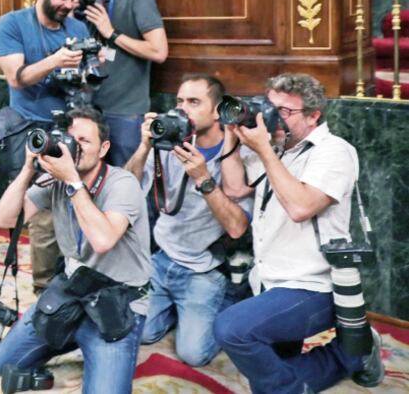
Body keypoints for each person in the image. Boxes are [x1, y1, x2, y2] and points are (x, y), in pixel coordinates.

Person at [215, 73, 384, 393]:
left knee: (231, 329)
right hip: (268, 283)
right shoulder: (277, 148)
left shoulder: (334, 151)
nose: (274, 117)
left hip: (315, 287)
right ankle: (346, 356)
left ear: (313, 116)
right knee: (264, 373)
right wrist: (231, 134)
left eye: (285, 111)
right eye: (270, 106)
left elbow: (301, 207)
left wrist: (264, 150)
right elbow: (235, 188)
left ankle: (345, 355)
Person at [0, 106, 151, 393]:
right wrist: (28, 169)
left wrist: (74, 183)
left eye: (84, 141)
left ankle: (89, 343)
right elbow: (3, 220)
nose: (74, 147)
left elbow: (103, 241)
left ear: (104, 148)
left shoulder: (122, 184)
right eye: (70, 138)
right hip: (72, 291)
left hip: (117, 300)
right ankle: (72, 336)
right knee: (4, 363)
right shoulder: (55, 181)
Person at [124, 74, 251, 366]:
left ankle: (231, 300)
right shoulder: (169, 142)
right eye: (179, 101)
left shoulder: (235, 156)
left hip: (203, 269)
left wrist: (203, 178)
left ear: (218, 110)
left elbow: (236, 227)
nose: (182, 109)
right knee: (136, 332)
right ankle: (175, 310)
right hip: (162, 259)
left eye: (194, 102)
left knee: (193, 354)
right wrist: (145, 146)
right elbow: (127, 193)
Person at [0, 0, 91, 294]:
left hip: (73, 125)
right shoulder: (12, 24)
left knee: (78, 205)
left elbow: (86, 81)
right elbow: (16, 78)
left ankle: (73, 280)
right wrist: (56, 61)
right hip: (31, 126)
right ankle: (44, 288)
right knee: (43, 216)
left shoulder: (77, 28)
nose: (70, 5)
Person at [75, 0, 167, 167]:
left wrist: (112, 33)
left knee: (129, 184)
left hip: (126, 113)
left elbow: (159, 52)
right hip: (92, 109)